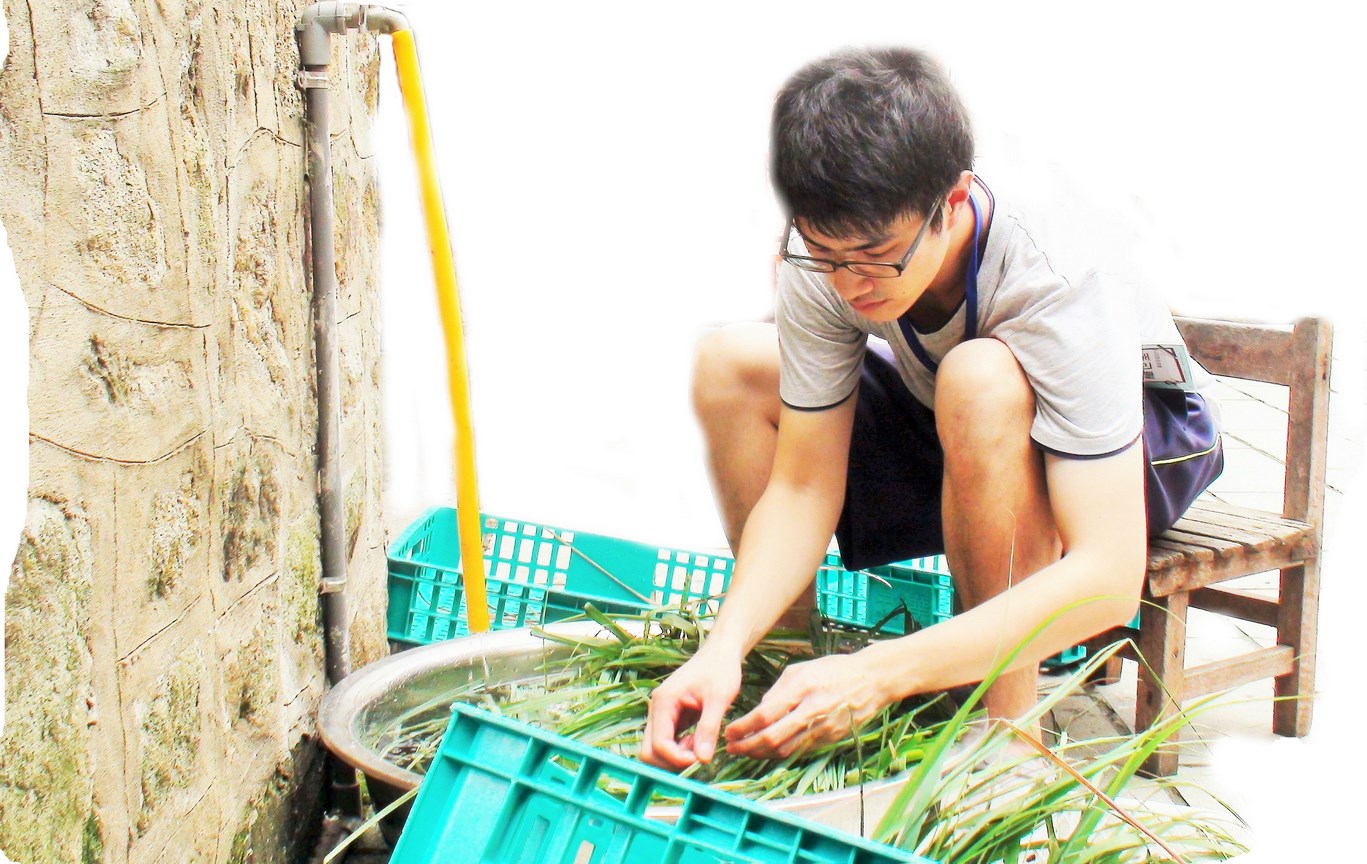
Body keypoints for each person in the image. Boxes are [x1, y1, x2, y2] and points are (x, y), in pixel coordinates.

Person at [640, 46, 1223, 770]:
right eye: (826, 255)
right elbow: (801, 485)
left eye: (877, 255)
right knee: (730, 362)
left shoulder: (1055, 269)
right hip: (962, 420)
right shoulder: (823, 258)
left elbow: (1106, 577)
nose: (850, 284)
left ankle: (1005, 747)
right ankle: (770, 694)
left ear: (952, 202)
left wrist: (880, 672)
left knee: (979, 379)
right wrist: (719, 645)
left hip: (1138, 443)